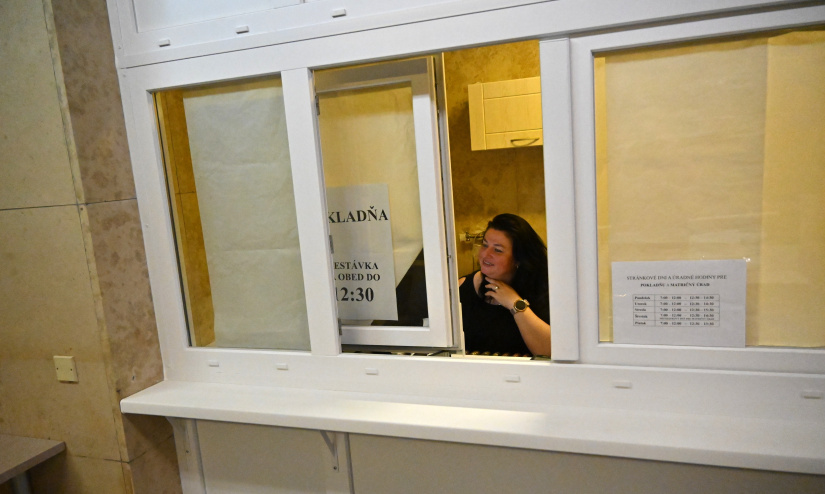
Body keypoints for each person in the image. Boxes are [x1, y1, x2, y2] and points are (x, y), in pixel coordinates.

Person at [458, 214, 551, 357]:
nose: (485, 254)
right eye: (485, 245)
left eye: (498, 250)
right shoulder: (462, 288)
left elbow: (549, 350)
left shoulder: (543, 291)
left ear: (518, 259)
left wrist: (515, 303)